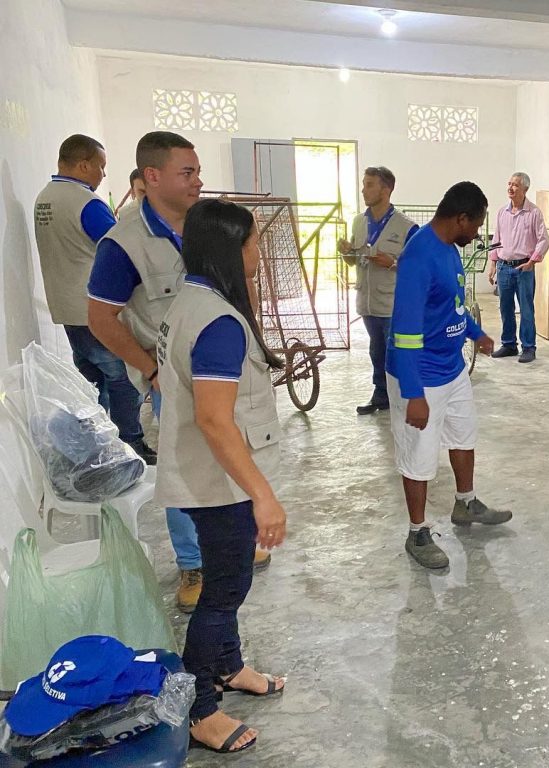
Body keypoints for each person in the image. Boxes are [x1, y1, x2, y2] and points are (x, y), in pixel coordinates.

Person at [88, 131, 269, 612]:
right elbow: (101, 318)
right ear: (152, 176)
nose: (198, 181)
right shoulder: (124, 244)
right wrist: (151, 369)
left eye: (198, 171)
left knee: (230, 450)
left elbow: (239, 285)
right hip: (171, 375)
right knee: (186, 467)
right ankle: (193, 563)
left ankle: (231, 539)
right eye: (187, 173)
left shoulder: (206, 224)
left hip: (223, 366)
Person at [155, 198, 287, 753]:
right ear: (231, 250)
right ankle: (198, 709)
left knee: (223, 581)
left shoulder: (190, 300)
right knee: (225, 590)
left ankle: (229, 667)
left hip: (206, 472)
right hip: (219, 483)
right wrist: (263, 496)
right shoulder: (219, 324)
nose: (259, 252)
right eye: (253, 242)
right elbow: (213, 418)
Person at [387, 181, 511, 569]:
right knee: (418, 455)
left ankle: (466, 503)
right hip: (420, 375)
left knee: (463, 434)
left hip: (451, 369)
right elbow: (405, 333)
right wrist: (414, 393)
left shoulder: (449, 250)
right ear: (461, 218)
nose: (477, 234)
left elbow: (454, 305)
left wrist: (476, 334)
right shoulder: (419, 257)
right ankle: (417, 532)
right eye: (476, 225)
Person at [33, 134, 150, 460]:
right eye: (100, 167)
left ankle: (96, 448)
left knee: (92, 380)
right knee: (122, 378)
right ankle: (130, 445)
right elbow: (119, 250)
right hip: (94, 310)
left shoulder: (44, 198)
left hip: (66, 307)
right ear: (83, 165)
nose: (103, 174)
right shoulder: (86, 203)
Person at [338, 166, 418, 415]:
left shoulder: (406, 227)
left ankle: (405, 397)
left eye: (369, 185)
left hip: (392, 304)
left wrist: (392, 263)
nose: (363, 190)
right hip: (367, 302)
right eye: (364, 184)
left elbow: (417, 269)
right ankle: (381, 395)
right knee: (377, 351)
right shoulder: (359, 222)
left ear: (386, 190)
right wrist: (346, 253)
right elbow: (354, 262)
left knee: (398, 354)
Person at [486, 172, 549, 363]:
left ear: (525, 189)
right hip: (503, 267)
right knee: (505, 308)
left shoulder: (534, 213)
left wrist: (532, 261)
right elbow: (496, 240)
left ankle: (528, 347)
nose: (510, 188)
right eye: (509, 184)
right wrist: (493, 264)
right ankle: (509, 345)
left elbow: (544, 240)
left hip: (524, 268)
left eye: (515, 185)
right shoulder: (502, 212)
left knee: (526, 310)